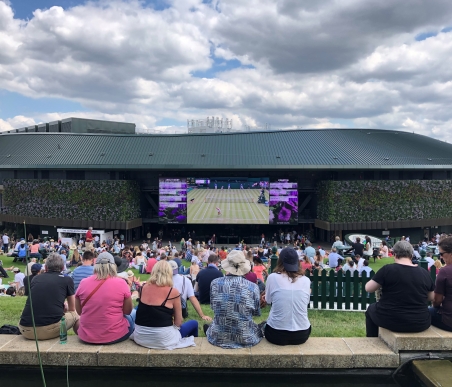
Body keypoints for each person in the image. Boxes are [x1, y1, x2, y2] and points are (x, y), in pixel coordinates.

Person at [365, 241, 434, 337]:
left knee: (371, 309)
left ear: (394, 254)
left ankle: (372, 341)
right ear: (411, 255)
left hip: (391, 320)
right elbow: (431, 297)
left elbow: (368, 288)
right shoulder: (424, 272)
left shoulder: (388, 269)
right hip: (420, 322)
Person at [131, 261, 198, 350]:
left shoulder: (143, 288)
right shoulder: (173, 292)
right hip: (163, 340)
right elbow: (178, 322)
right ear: (169, 273)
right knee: (194, 323)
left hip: (140, 336)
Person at [205, 250, 263, 348]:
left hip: (218, 337)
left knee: (211, 325)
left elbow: (213, 307)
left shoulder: (215, 283)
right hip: (246, 338)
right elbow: (257, 313)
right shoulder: (253, 287)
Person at [74, 252, 134, 344]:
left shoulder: (83, 282)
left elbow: (79, 312)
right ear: (113, 266)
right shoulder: (121, 283)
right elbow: (127, 311)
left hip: (87, 336)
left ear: (96, 265)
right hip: (115, 334)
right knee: (132, 315)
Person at [18, 253, 79, 340]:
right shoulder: (67, 280)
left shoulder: (36, 279)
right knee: (75, 314)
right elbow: (72, 309)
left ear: (46, 268)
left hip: (25, 329)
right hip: (49, 330)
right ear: (62, 268)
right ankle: (81, 337)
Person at [264, 248, 311, 345]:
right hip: (302, 334)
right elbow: (306, 302)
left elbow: (268, 300)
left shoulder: (272, 277)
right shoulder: (306, 280)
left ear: (280, 261)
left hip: (276, 334)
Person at [429, 237, 452, 331]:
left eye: (442, 254)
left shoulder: (445, 271)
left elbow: (437, 300)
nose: (441, 257)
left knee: (421, 312)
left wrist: (435, 305)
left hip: (448, 320)